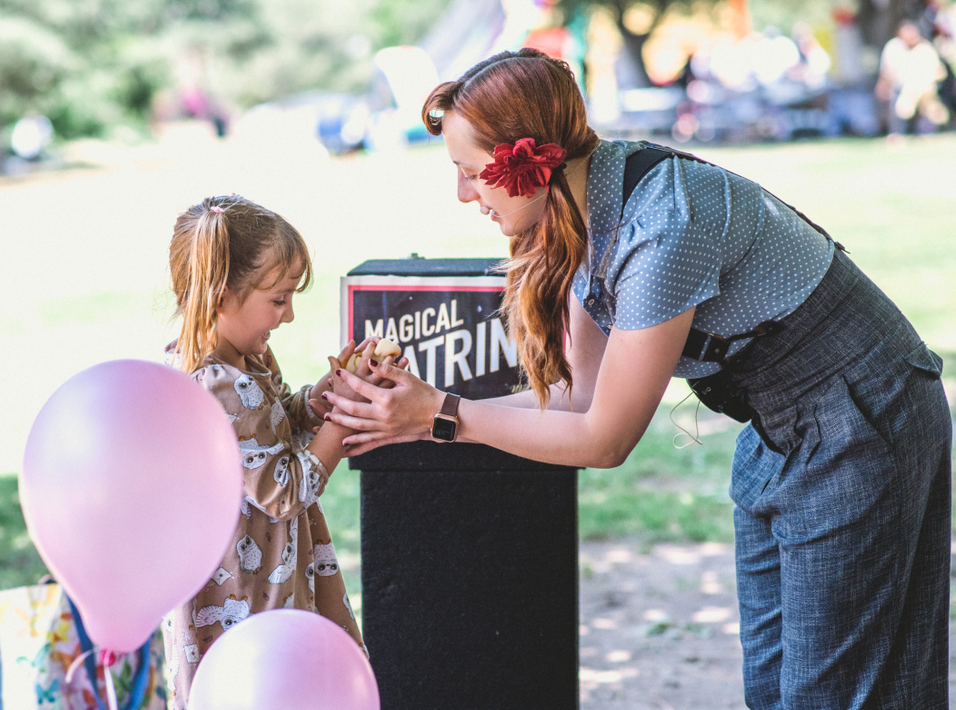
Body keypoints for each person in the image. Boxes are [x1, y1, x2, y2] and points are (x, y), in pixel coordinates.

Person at [325, 50, 952, 708]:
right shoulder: (585, 207)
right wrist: (415, 408)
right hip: (782, 428)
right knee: (773, 687)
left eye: (469, 172)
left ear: (525, 159)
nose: (462, 194)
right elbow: (577, 395)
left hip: (860, 416)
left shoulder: (662, 221)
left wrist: (441, 414)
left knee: (833, 695)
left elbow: (605, 437)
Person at [161, 194, 382, 709]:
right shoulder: (214, 383)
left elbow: (276, 418)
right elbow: (282, 489)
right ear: (221, 295)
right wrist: (343, 424)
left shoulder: (245, 358)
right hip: (245, 589)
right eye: (278, 299)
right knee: (267, 687)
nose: (288, 315)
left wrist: (329, 393)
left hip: (274, 566)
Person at [875, 19, 949, 137]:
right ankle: (897, 134)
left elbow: (939, 71)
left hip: (924, 87)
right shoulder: (894, 47)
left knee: (930, 112)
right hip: (900, 86)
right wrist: (883, 85)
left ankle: (928, 134)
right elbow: (886, 70)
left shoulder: (925, 48)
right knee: (900, 110)